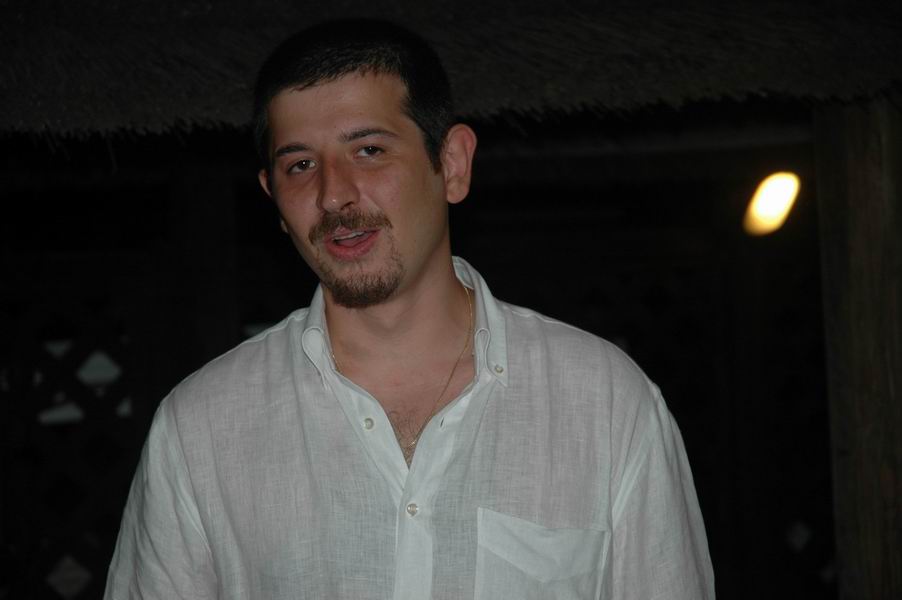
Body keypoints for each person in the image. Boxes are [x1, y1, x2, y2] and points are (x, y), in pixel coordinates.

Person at [105, 19, 714, 599]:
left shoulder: (604, 403)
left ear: (452, 165)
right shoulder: (201, 429)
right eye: (300, 165)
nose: (333, 194)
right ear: (274, 197)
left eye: (368, 150)